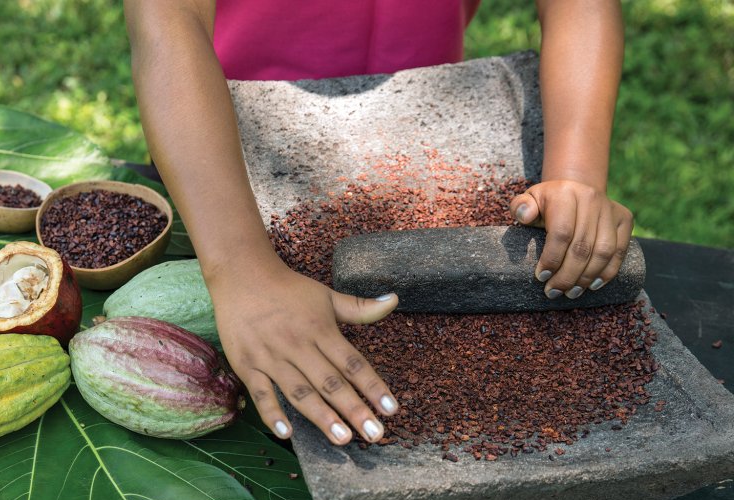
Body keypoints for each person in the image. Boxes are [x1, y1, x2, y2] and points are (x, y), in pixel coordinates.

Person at [123, 0, 633, 447]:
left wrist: (576, 173)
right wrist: (241, 266)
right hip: (214, 147)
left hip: (426, 128)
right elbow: (169, 19)